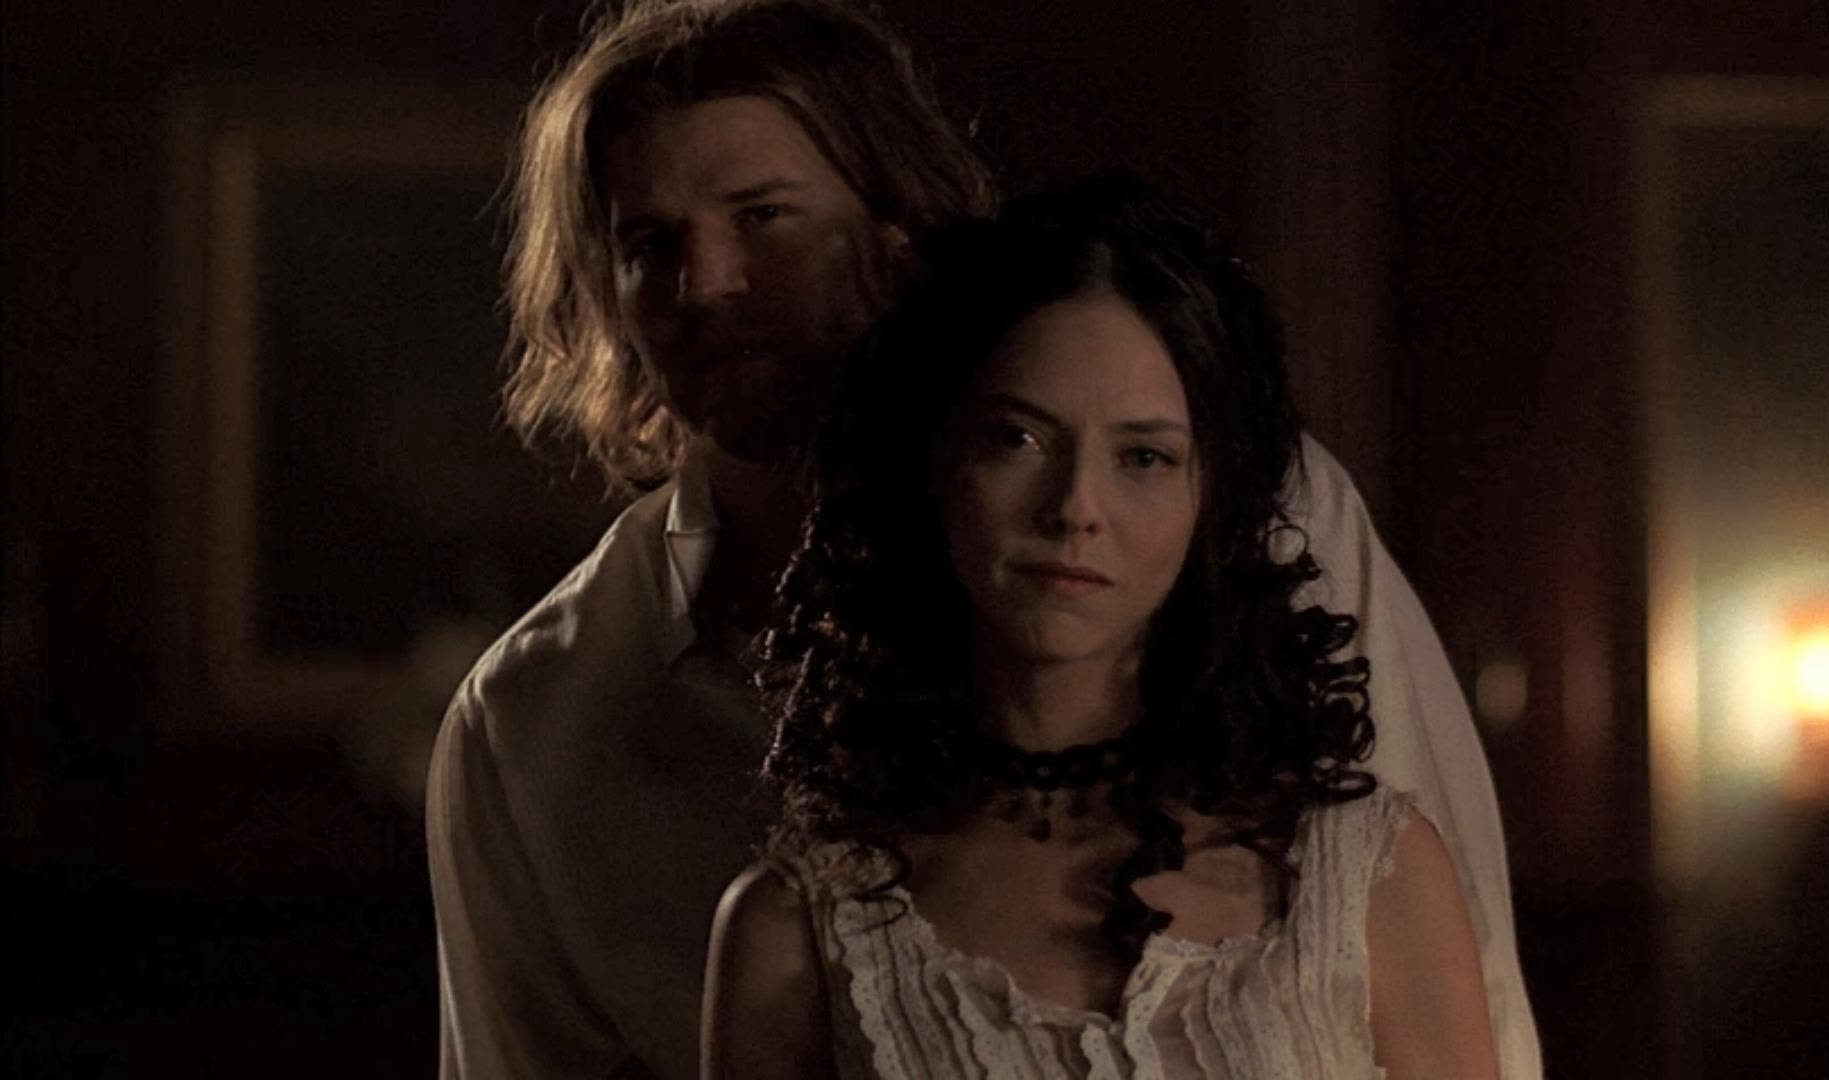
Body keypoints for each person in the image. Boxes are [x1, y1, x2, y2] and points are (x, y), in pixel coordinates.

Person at [426, 2, 1539, 1078]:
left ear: (899, 232)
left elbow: (1454, 970)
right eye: (650, 243)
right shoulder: (535, 716)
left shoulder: (1243, 514)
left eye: (763, 217)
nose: (708, 284)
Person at [702, 177, 1499, 1080]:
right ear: (934, 460)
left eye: (1143, 456)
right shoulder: (800, 929)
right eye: (1018, 439)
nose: (1077, 507)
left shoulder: (1364, 874)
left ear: (1209, 498)